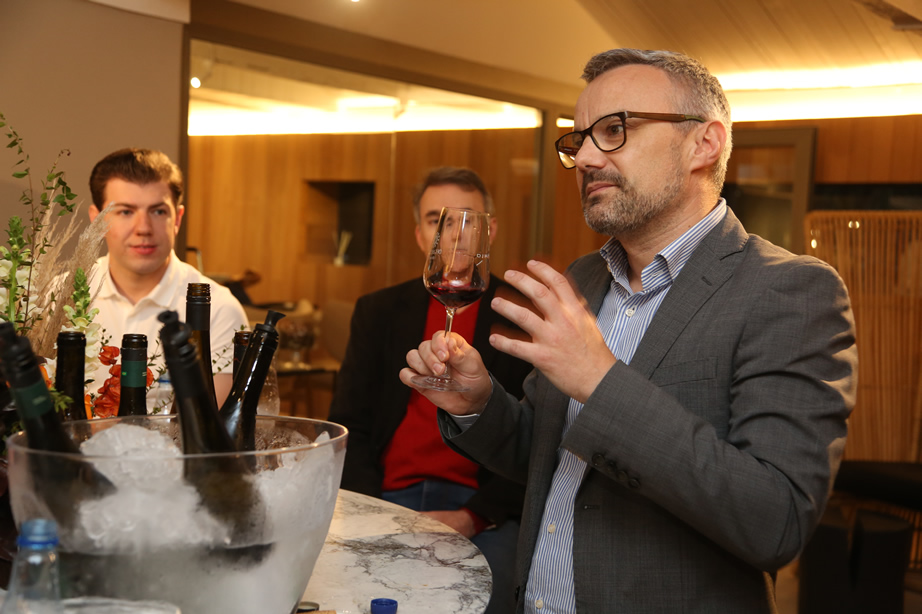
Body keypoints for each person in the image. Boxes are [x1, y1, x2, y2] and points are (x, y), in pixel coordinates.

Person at [400, 49, 858, 613]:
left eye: (615, 130)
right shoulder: (584, 279)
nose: (587, 158)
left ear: (704, 143)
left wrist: (600, 380)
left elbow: (775, 521)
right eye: (578, 140)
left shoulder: (790, 291)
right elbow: (545, 459)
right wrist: (478, 404)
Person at [329, 166, 533, 614]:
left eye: (466, 220)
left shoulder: (523, 317)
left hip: (484, 509)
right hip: (386, 495)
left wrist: (472, 517)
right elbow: (348, 424)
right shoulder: (377, 311)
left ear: (489, 231)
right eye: (436, 220)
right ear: (420, 235)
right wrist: (373, 511)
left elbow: (536, 437)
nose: (452, 235)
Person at [86, 148, 248, 412]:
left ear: (178, 219)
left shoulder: (219, 309)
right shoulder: (57, 297)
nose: (143, 228)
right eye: (125, 212)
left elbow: (210, 425)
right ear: (97, 220)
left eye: (158, 212)